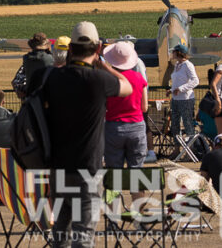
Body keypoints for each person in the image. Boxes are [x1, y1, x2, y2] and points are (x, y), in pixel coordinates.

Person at [33, 21, 132, 248]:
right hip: (88, 168)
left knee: (61, 231)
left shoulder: (51, 78)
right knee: (83, 235)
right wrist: (102, 64)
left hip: (58, 167)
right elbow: (126, 86)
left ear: (70, 49)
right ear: (97, 49)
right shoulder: (98, 80)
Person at [102, 41, 149, 168]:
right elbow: (144, 107)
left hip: (114, 127)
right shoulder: (139, 78)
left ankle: (114, 188)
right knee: (136, 171)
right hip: (136, 126)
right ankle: (135, 188)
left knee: (114, 171)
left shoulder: (108, 79)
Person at [169, 44, 198, 144]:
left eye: (174, 51)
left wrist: (181, 89)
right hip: (175, 99)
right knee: (175, 124)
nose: (172, 53)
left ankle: (191, 148)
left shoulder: (188, 65)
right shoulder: (177, 65)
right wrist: (172, 90)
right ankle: (177, 148)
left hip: (186, 99)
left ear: (178, 53)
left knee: (187, 123)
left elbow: (195, 81)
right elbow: (178, 81)